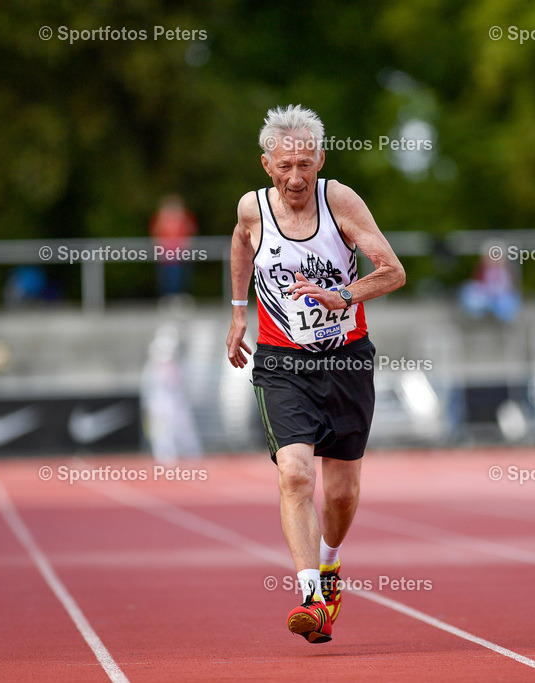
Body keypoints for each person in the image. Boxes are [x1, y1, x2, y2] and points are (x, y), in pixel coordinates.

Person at [225, 104, 405, 642]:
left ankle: (329, 563)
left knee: (342, 493)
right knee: (296, 474)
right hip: (282, 362)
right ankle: (310, 597)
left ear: (321, 160)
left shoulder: (339, 201)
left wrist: (341, 295)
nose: (296, 177)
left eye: (305, 164)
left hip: (345, 359)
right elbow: (240, 242)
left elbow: (393, 271)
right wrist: (239, 311)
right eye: (285, 166)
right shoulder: (252, 209)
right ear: (267, 165)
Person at [149, 194, 198, 299]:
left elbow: (191, 231)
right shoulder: (160, 218)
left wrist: (187, 245)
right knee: (167, 276)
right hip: (166, 254)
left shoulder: (184, 218)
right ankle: (168, 296)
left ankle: (181, 295)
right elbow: (155, 233)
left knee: (183, 276)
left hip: (182, 253)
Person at [459, 240, 520, 322]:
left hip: (500, 298)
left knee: (506, 302)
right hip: (486, 296)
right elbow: (479, 285)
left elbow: (508, 287)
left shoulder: (506, 271)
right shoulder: (482, 270)